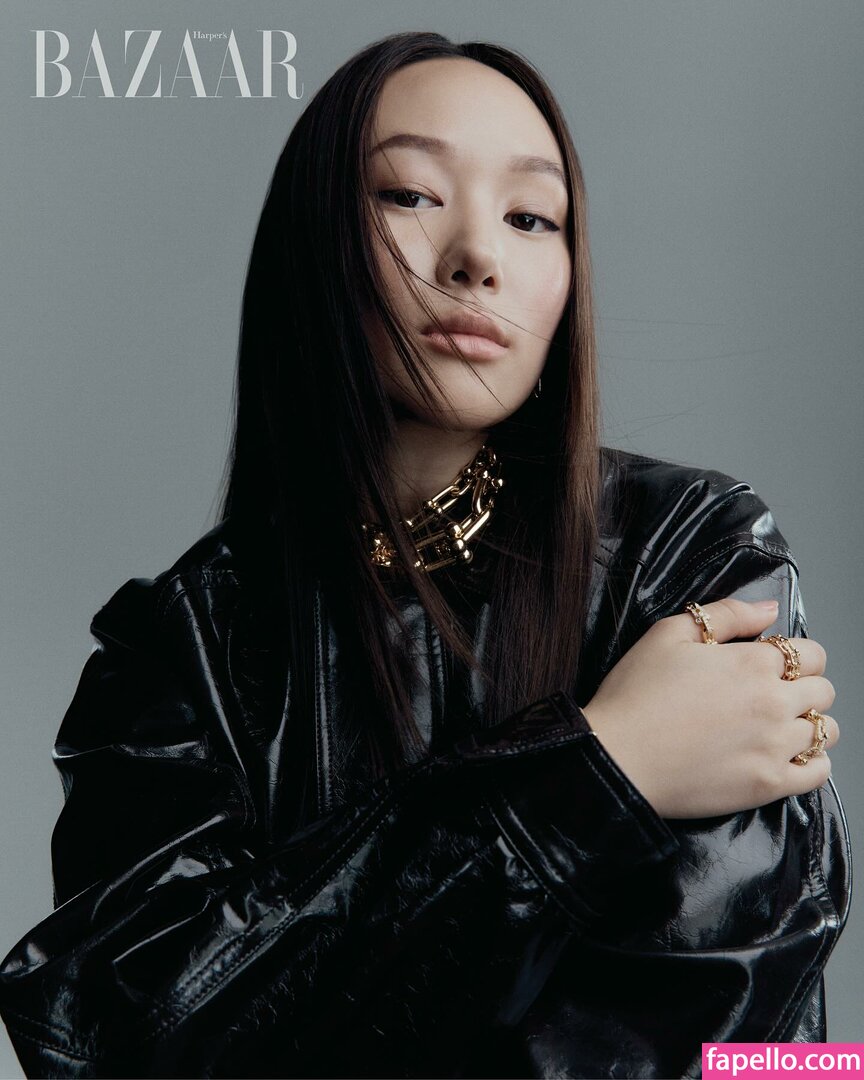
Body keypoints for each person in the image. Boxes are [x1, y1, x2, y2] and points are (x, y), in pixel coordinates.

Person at [0, 30, 851, 1080]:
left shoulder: (690, 549)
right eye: (410, 195)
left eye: (531, 217)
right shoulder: (175, 650)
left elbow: (726, 1036)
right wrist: (599, 769)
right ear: (315, 241)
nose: (477, 256)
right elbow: (127, 1044)